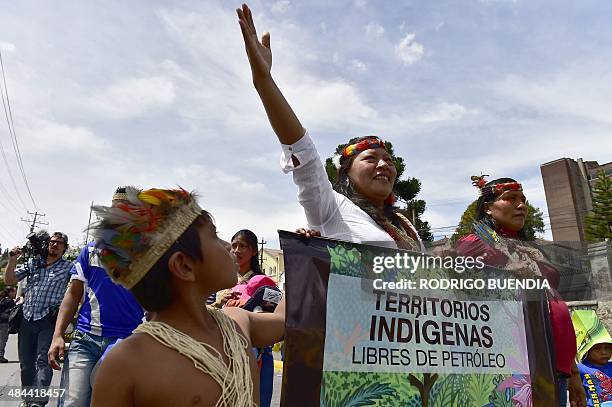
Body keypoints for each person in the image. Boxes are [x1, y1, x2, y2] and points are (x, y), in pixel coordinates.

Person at [236, 4, 423, 251]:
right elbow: (303, 152)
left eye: (388, 160)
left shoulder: (402, 224)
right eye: (370, 158)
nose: (383, 165)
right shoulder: (330, 207)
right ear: (345, 172)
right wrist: (264, 80)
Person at [88, 187, 285, 406]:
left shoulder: (238, 322)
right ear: (184, 266)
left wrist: (308, 253)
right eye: (214, 235)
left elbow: (286, 319)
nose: (228, 246)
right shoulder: (126, 364)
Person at [455, 175, 586, 407]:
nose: (522, 205)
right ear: (488, 208)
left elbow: (554, 310)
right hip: (517, 368)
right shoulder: (474, 245)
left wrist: (573, 372)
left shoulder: (530, 249)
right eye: (511, 199)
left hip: (557, 366)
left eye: (523, 199)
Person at [48, 187, 145, 407]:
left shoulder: (146, 255)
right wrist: (58, 335)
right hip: (85, 340)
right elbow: (73, 295)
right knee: (72, 402)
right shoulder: (90, 251)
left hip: (126, 342)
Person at [5, 232, 73, 407]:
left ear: (65, 248)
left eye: (59, 243)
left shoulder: (68, 267)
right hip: (27, 319)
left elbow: (78, 287)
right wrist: (12, 259)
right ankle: (27, 399)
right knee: (26, 364)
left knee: (44, 361)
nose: (54, 245)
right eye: (52, 242)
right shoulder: (34, 263)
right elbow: (9, 280)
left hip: (48, 320)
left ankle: (38, 402)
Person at [578, 340, 612, 406]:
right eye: (597, 348)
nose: (604, 352)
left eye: (607, 348)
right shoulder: (581, 368)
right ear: (587, 349)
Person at [0, 286, 17, 363]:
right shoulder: (9, 301)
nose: (15, 293)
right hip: (4, 322)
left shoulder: (2, 299)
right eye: (14, 292)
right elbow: (14, 311)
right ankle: (0, 356)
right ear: (10, 292)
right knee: (2, 340)